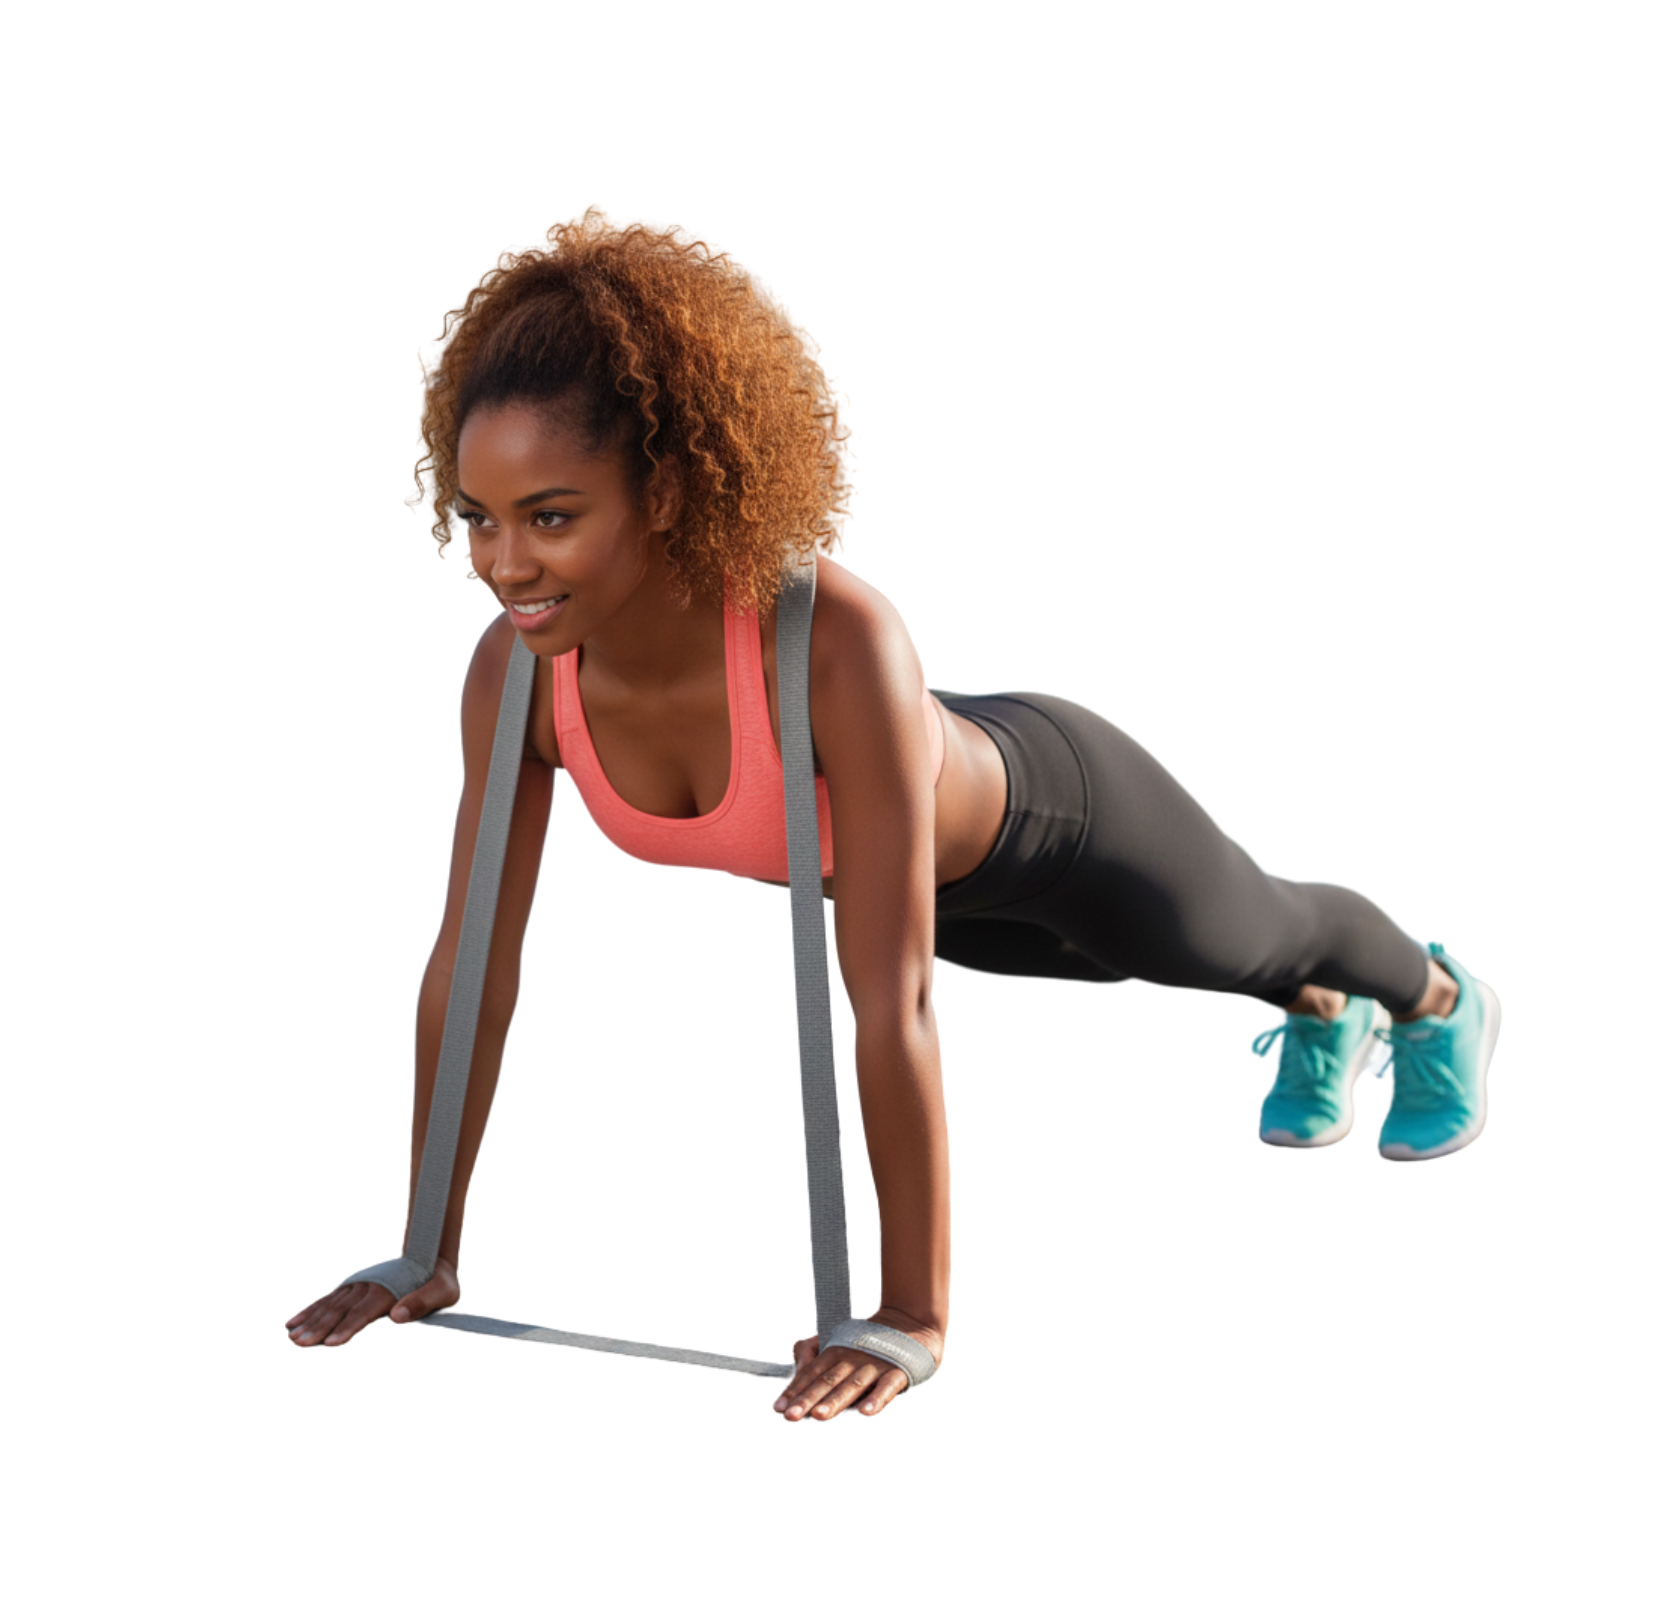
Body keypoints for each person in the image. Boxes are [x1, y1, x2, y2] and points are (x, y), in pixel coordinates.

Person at [282, 205, 1502, 1420]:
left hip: (1060, 818)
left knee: (1243, 938)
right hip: (927, 892)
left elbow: (890, 1005)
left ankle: (1437, 999)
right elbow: (473, 964)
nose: (504, 565)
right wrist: (420, 1249)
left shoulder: (832, 632)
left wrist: (912, 1314)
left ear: (663, 491)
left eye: (551, 517)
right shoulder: (512, 674)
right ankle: (1318, 1012)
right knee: (1133, 973)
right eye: (484, 520)